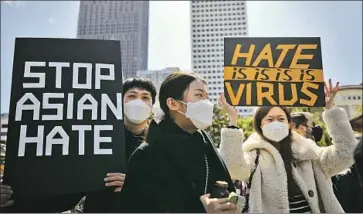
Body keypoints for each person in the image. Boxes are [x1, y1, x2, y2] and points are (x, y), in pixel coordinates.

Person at [0, 77, 157, 213]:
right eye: (132, 96)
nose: (139, 102)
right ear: (118, 101)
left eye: (145, 97)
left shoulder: (160, 144)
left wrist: (135, 188)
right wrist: (14, 200)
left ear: (152, 105)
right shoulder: (97, 139)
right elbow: (66, 190)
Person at [219, 79, 358, 213]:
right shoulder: (254, 153)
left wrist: (330, 109)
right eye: (269, 119)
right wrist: (232, 120)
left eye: (281, 119)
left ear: (289, 125)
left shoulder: (309, 151)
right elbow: (232, 168)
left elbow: (346, 154)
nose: (276, 123)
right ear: (260, 126)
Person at [119, 72, 240, 213]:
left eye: (207, 97)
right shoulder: (146, 155)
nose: (207, 103)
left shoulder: (206, 146)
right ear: (173, 104)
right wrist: (200, 209)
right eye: (199, 95)